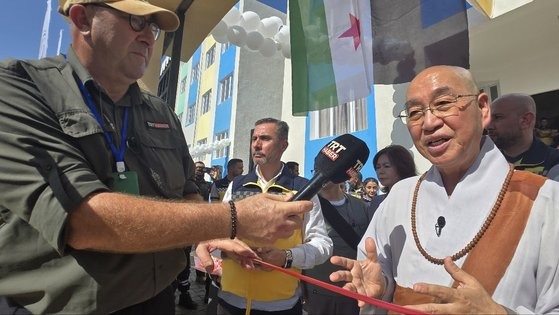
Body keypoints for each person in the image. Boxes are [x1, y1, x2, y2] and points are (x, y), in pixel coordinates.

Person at [0, 1, 314, 314]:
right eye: (136, 22)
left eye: (152, 27)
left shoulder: (160, 111)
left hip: (159, 299)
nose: (150, 38)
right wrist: (233, 219)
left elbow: (188, 190)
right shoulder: (21, 87)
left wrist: (212, 233)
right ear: (83, 19)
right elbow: (84, 220)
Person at [330, 66, 559, 314]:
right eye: (415, 112)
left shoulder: (544, 199)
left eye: (443, 103)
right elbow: (378, 272)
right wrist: (383, 286)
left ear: (483, 109)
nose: (429, 123)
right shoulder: (400, 196)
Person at [197, 118, 333, 314]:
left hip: (280, 305)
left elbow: (322, 244)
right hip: (229, 301)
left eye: (265, 138)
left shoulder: (302, 189)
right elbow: (216, 234)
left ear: (283, 145)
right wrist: (228, 252)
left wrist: (286, 257)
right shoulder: (236, 185)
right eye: (254, 139)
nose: (257, 144)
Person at [304, 175, 374, 315]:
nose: (322, 175)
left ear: (344, 175)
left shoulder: (361, 207)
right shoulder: (307, 207)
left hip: (352, 290)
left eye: (329, 171)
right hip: (317, 290)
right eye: (317, 171)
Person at [487, 93, 559, 178]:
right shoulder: (485, 163)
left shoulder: (554, 161)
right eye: (488, 118)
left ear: (526, 120)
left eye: (497, 117)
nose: (488, 126)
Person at [369, 145, 417, 211]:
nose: (381, 171)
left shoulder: (417, 198)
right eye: (378, 167)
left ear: (402, 167)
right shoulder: (377, 202)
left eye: (386, 166)